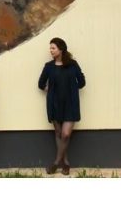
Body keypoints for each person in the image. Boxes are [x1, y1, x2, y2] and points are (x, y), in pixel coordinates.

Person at [38, 37, 85, 175]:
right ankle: (66, 164)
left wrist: (71, 89)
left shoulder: (73, 64)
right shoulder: (49, 66)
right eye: (50, 48)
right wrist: (50, 89)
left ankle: (55, 163)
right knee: (58, 133)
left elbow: (82, 82)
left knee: (65, 134)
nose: (51, 50)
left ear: (61, 49)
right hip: (54, 104)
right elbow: (41, 84)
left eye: (53, 48)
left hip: (70, 104)